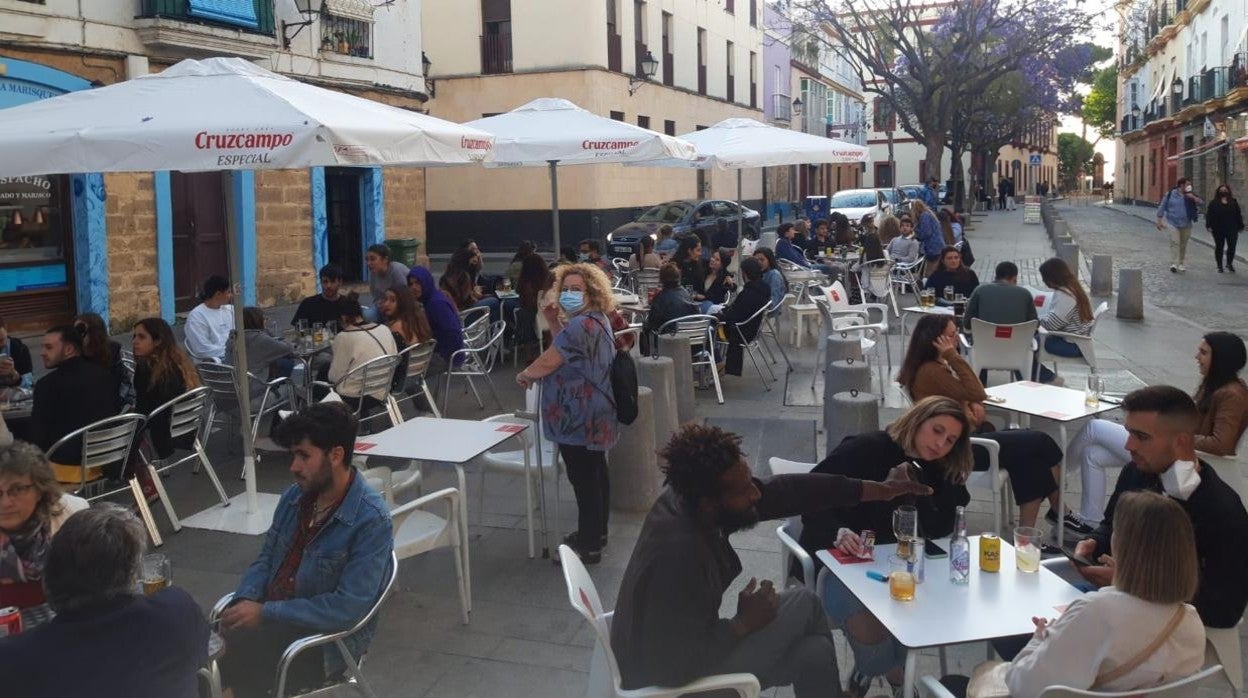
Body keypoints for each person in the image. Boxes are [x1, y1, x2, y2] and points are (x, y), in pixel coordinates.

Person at [611, 423, 931, 696]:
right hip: (669, 682)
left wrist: (882, 490)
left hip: (688, 646)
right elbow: (671, 665)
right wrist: (742, 624)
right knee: (805, 602)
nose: (755, 493)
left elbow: (788, 492)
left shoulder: (691, 498)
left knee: (815, 653)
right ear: (710, 503)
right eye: (743, 490)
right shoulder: (679, 554)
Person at [942, 491, 1206, 697]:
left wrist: (1040, 638)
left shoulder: (1098, 611)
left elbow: (1024, 686)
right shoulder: (1191, 622)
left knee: (950, 685)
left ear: (1124, 547)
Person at [217, 403, 393, 698]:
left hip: (324, 641)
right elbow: (266, 560)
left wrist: (266, 611)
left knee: (235, 661)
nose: (293, 467)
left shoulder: (370, 520)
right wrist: (245, 599)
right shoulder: (294, 497)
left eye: (304, 456)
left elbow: (346, 608)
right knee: (198, 650)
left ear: (336, 455)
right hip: (271, 620)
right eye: (293, 455)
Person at [796, 397, 967, 693]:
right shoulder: (866, 448)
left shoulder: (935, 468)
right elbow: (811, 494)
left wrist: (946, 484)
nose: (940, 444)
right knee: (862, 611)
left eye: (951, 440)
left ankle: (871, 670)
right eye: (936, 430)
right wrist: (838, 531)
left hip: (893, 561)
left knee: (933, 602)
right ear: (917, 420)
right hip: (837, 554)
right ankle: (898, 678)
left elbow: (938, 529)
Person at [1069, 386, 1248, 630]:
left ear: (1181, 441)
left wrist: (1133, 583)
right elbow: (1110, 524)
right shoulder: (1136, 472)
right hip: (1114, 601)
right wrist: (1092, 543)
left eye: (1141, 437)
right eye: (1129, 433)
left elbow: (1224, 609)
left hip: (1166, 630)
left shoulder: (1222, 511)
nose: (1128, 446)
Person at [0, 504, 210, 698]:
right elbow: (208, 652)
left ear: (51, 573)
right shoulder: (177, 612)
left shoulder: (15, 658)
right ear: (131, 573)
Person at [1066, 332, 1248, 532]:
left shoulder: (1232, 394)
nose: (1197, 357)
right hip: (1177, 447)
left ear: (1220, 359)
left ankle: (1059, 474)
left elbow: (1222, 443)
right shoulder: (1214, 385)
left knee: (1094, 428)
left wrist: (1175, 434)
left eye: (1203, 353)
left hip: (1181, 453)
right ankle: (1090, 519)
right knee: (1092, 455)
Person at [898, 315, 1064, 528]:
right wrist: (953, 357)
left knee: (1029, 458)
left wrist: (970, 402)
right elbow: (977, 390)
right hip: (959, 448)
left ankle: (1027, 534)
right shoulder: (932, 371)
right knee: (1040, 442)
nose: (956, 339)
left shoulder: (934, 367)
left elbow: (966, 394)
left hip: (968, 439)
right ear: (936, 340)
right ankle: (1060, 512)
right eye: (951, 335)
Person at [516, 263, 619, 563]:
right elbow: (570, 350)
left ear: (593, 292)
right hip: (595, 410)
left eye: (578, 289)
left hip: (579, 414)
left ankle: (588, 546)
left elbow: (552, 358)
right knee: (596, 472)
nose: (571, 294)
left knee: (584, 478)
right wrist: (553, 322)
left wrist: (527, 374)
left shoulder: (581, 325)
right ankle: (596, 532)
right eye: (567, 289)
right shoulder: (594, 320)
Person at [0, 442, 88, 615]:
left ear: (40, 489)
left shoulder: (73, 515)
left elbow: (92, 583)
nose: (6, 502)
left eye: (18, 489)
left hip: (68, 616)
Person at [30, 325, 120, 478]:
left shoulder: (47, 385)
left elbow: (37, 437)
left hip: (67, 466)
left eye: (49, 347)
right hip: (108, 459)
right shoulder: (103, 375)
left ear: (69, 349)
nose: (42, 353)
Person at [132, 318, 201, 463]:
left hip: (160, 432)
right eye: (134, 336)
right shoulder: (177, 360)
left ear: (157, 341)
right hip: (185, 427)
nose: (135, 341)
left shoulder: (148, 368)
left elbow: (143, 409)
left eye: (141, 337)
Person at [326, 295, 398, 415]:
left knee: (320, 384)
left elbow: (334, 377)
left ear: (343, 318)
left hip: (356, 397)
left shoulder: (344, 337)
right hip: (384, 389)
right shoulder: (384, 329)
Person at [1035, 257, 1094, 384]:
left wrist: (1034, 320)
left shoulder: (1066, 295)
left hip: (1073, 345)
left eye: (1044, 278)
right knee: (1030, 339)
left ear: (1051, 277)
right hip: (1075, 340)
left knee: (1028, 343)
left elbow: (1052, 325)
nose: (1044, 282)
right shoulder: (1072, 288)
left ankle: (1047, 378)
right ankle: (1040, 377)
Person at [715, 257, 770, 376]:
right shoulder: (764, 288)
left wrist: (718, 315)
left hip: (740, 331)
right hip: (752, 328)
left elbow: (734, 315)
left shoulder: (749, 293)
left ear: (745, 273)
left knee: (709, 327)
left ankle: (715, 364)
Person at [407, 266, 463, 370]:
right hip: (442, 352)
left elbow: (452, 332)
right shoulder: (429, 299)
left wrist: (439, 354)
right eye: (411, 284)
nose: (414, 287)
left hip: (448, 357)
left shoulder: (436, 304)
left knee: (404, 368)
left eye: (418, 283)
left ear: (426, 282)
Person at [226, 307, 296, 388]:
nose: (265, 321)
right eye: (264, 318)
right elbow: (287, 348)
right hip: (253, 388)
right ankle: (277, 390)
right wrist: (265, 331)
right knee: (287, 361)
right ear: (258, 320)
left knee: (282, 362)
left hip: (232, 386)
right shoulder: (259, 338)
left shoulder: (233, 337)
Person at [74, 312, 132, 408]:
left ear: (95, 333)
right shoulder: (73, 353)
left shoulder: (112, 350)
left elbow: (123, 382)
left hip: (109, 407)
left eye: (81, 331)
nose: (76, 336)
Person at [961, 261, 1036, 331]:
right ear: (1014, 278)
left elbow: (967, 323)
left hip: (984, 343)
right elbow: (1034, 323)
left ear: (996, 276)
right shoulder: (1025, 294)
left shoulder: (980, 290)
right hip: (1017, 343)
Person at [1155, 177, 1203, 273]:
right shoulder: (1170, 195)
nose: (1189, 186)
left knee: (1183, 244)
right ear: (1182, 185)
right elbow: (1162, 206)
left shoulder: (1190, 195)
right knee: (1175, 242)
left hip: (1186, 224)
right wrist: (1159, 220)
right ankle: (1174, 263)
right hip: (1172, 223)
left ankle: (1181, 263)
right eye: (1187, 184)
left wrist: (1193, 198)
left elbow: (1201, 203)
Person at [184, 274, 234, 363]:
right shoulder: (196, 316)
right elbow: (202, 349)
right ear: (218, 294)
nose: (231, 295)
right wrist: (230, 352)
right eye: (228, 292)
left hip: (233, 356)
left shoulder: (230, 309)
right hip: (213, 362)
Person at [365, 244, 410, 321]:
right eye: (367, 260)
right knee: (366, 315)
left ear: (385, 259)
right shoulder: (373, 273)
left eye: (372, 259)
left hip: (404, 310)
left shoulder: (396, 271)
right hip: (384, 309)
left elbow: (405, 299)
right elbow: (376, 297)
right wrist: (381, 305)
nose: (368, 263)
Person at [1204, 183, 1242, 273]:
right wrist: (1208, 225)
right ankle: (1219, 266)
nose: (1223, 191)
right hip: (1218, 228)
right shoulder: (1213, 203)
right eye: (1221, 190)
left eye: (1225, 190)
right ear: (1218, 192)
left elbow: (1238, 214)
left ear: (1228, 191)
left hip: (1232, 228)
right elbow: (1209, 215)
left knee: (1232, 246)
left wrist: (1240, 226)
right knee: (1219, 247)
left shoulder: (1233, 202)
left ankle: (1229, 263)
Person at [910, 200, 943, 277]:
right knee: (931, 270)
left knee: (929, 272)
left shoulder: (924, 216)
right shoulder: (928, 214)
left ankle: (928, 286)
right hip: (937, 245)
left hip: (932, 247)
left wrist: (915, 231)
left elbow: (926, 233)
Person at [0, 314, 33, 388]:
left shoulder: (20, 349)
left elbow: (29, 383)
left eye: (1, 340)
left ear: (6, 328)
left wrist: (14, 374)